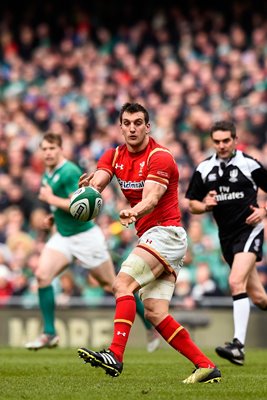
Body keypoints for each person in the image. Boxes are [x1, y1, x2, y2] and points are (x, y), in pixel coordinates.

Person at [77, 102, 221, 384]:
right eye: (127, 123)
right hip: (153, 237)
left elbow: (153, 197)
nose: (132, 128)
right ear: (120, 127)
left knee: (122, 284)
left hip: (167, 233)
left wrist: (135, 211)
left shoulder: (161, 157)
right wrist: (89, 190)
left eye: (138, 123)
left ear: (147, 126)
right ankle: (206, 366)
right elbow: (101, 180)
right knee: (155, 312)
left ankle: (115, 355)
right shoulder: (114, 155)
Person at [25, 132, 159, 352]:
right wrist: (52, 216)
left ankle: (150, 324)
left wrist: (51, 200)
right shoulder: (47, 174)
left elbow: (80, 204)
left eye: (52, 148)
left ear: (60, 149)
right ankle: (49, 333)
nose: (48, 153)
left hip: (86, 237)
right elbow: (66, 208)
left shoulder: (69, 171)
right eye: (45, 149)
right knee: (42, 276)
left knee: (114, 286)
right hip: (63, 236)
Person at [185, 120, 267, 366]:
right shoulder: (204, 169)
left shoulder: (249, 164)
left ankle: (238, 346)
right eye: (217, 141)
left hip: (250, 230)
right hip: (226, 238)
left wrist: (263, 211)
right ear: (213, 142)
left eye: (226, 140)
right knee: (259, 297)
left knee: (234, 282)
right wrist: (205, 205)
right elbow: (192, 203)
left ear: (235, 140)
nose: (221, 145)